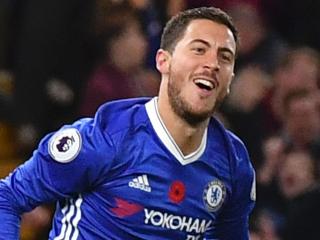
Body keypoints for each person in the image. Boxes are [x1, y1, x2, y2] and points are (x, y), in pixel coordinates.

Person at [0, 6, 255, 239]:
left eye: (225, 57)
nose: (212, 63)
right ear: (163, 61)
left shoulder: (234, 165)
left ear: (231, 76)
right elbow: (8, 197)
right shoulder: (105, 139)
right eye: (199, 49)